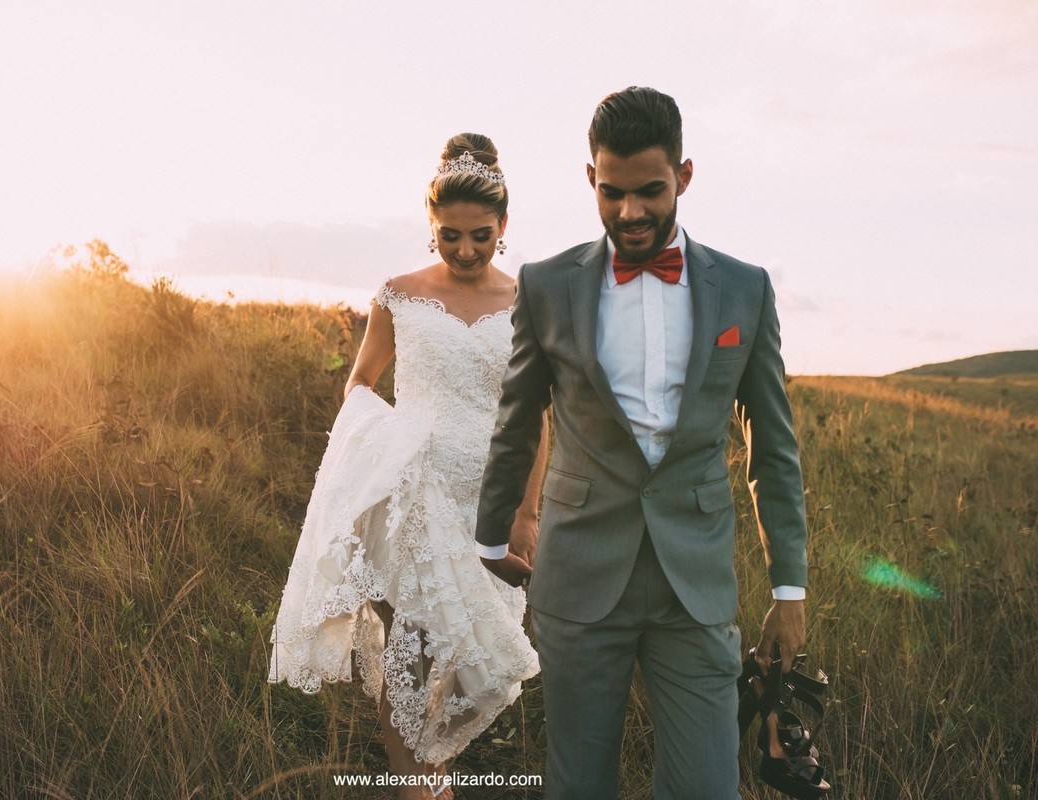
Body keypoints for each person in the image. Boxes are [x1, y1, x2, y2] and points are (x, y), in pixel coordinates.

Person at [475, 86, 811, 799]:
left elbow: (772, 449)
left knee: (707, 788)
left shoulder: (745, 290)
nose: (631, 212)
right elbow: (516, 417)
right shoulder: (545, 285)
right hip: (578, 578)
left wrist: (789, 586)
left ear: (684, 176)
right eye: (613, 192)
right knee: (580, 786)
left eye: (651, 191)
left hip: (695, 590)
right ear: (590, 178)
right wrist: (488, 541)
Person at [269, 134, 542, 799]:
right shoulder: (397, 294)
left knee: (473, 658)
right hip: (412, 492)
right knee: (411, 654)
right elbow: (359, 384)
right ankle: (422, 792)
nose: (467, 249)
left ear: (504, 226)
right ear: (431, 226)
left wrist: (527, 512)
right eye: (450, 236)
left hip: (490, 501)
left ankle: (430, 778)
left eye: (481, 235)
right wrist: (390, 445)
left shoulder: (529, 302)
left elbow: (536, 414)